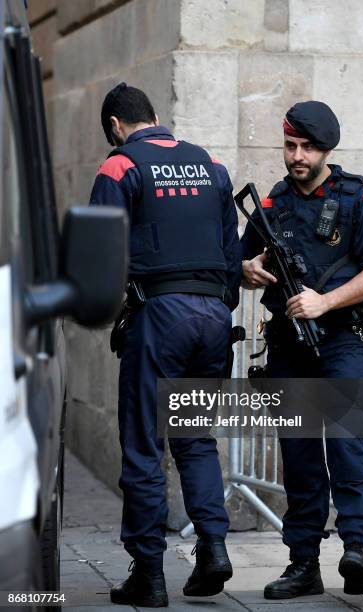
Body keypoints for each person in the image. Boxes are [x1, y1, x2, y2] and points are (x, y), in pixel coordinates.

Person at [90, 83, 241, 607]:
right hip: (213, 317)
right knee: (196, 439)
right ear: (156, 116)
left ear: (115, 126)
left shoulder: (120, 167)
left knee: (145, 446)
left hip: (160, 318)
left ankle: (149, 576)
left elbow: (99, 256)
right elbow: (231, 253)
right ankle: (214, 549)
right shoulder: (213, 166)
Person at [241, 100, 363, 600]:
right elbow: (243, 259)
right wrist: (247, 270)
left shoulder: (357, 199)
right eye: (290, 146)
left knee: (349, 445)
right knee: (301, 455)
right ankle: (303, 562)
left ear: (325, 149)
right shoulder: (272, 203)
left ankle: (357, 548)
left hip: (343, 339)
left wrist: (325, 300)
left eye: (306, 147)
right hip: (289, 345)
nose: (296, 156)